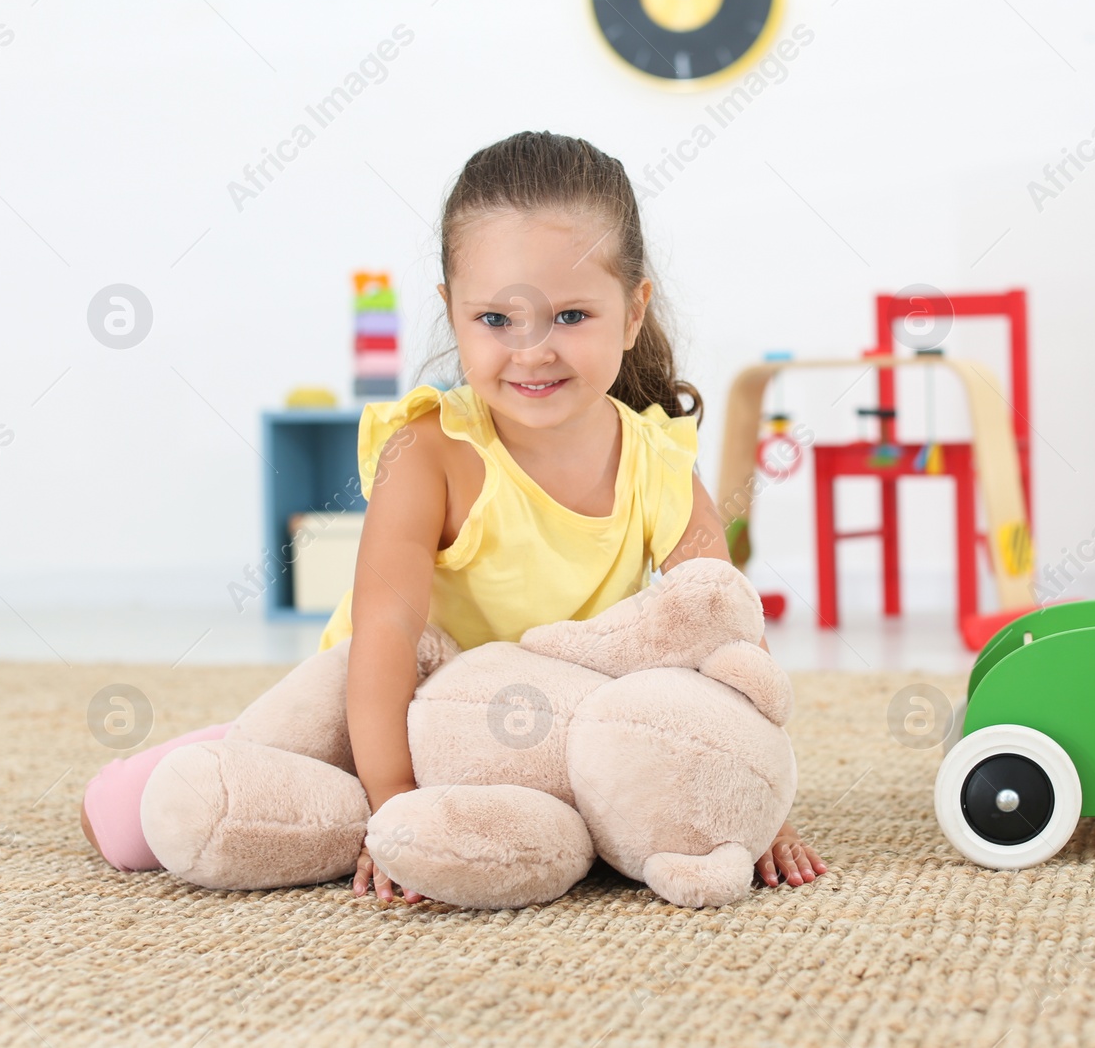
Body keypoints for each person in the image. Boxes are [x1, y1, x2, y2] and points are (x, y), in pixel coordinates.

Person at [80, 130, 827, 902]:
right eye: (496, 320)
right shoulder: (430, 451)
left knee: (601, 815)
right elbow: (384, 635)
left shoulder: (660, 462)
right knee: (143, 823)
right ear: (452, 312)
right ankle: (172, 769)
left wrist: (750, 806)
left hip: (542, 738)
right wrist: (393, 805)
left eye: (571, 315)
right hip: (383, 719)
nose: (532, 350)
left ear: (633, 311)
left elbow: (726, 643)